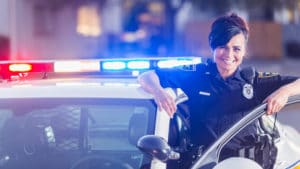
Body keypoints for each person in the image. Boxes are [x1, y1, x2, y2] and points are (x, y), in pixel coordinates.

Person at [138, 13, 300, 148]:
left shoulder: (253, 81)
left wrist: (284, 92)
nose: (229, 55)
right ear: (213, 47)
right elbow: (147, 76)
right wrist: (158, 92)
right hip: (205, 163)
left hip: (243, 164)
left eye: (236, 49)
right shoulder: (196, 75)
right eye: (223, 47)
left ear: (244, 51)